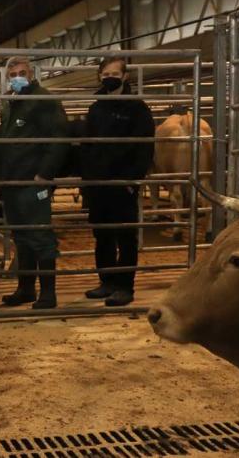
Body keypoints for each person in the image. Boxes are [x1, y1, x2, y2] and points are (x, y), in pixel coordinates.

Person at [0, 56, 68, 309]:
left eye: (22, 73)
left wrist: (45, 174)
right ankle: (25, 289)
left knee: (40, 234)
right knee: (21, 235)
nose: (17, 78)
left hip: (32, 181)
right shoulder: (11, 101)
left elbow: (59, 138)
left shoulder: (43, 100)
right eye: (13, 74)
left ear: (31, 74)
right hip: (13, 180)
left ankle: (48, 293)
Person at [81, 57, 155, 306]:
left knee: (125, 236)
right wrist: (87, 179)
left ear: (125, 77)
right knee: (102, 235)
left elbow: (145, 148)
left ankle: (125, 286)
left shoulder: (137, 108)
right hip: (98, 183)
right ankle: (107, 281)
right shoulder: (96, 107)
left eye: (114, 74)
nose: (109, 78)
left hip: (123, 183)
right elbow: (87, 145)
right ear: (99, 76)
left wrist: (132, 179)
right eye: (105, 74)